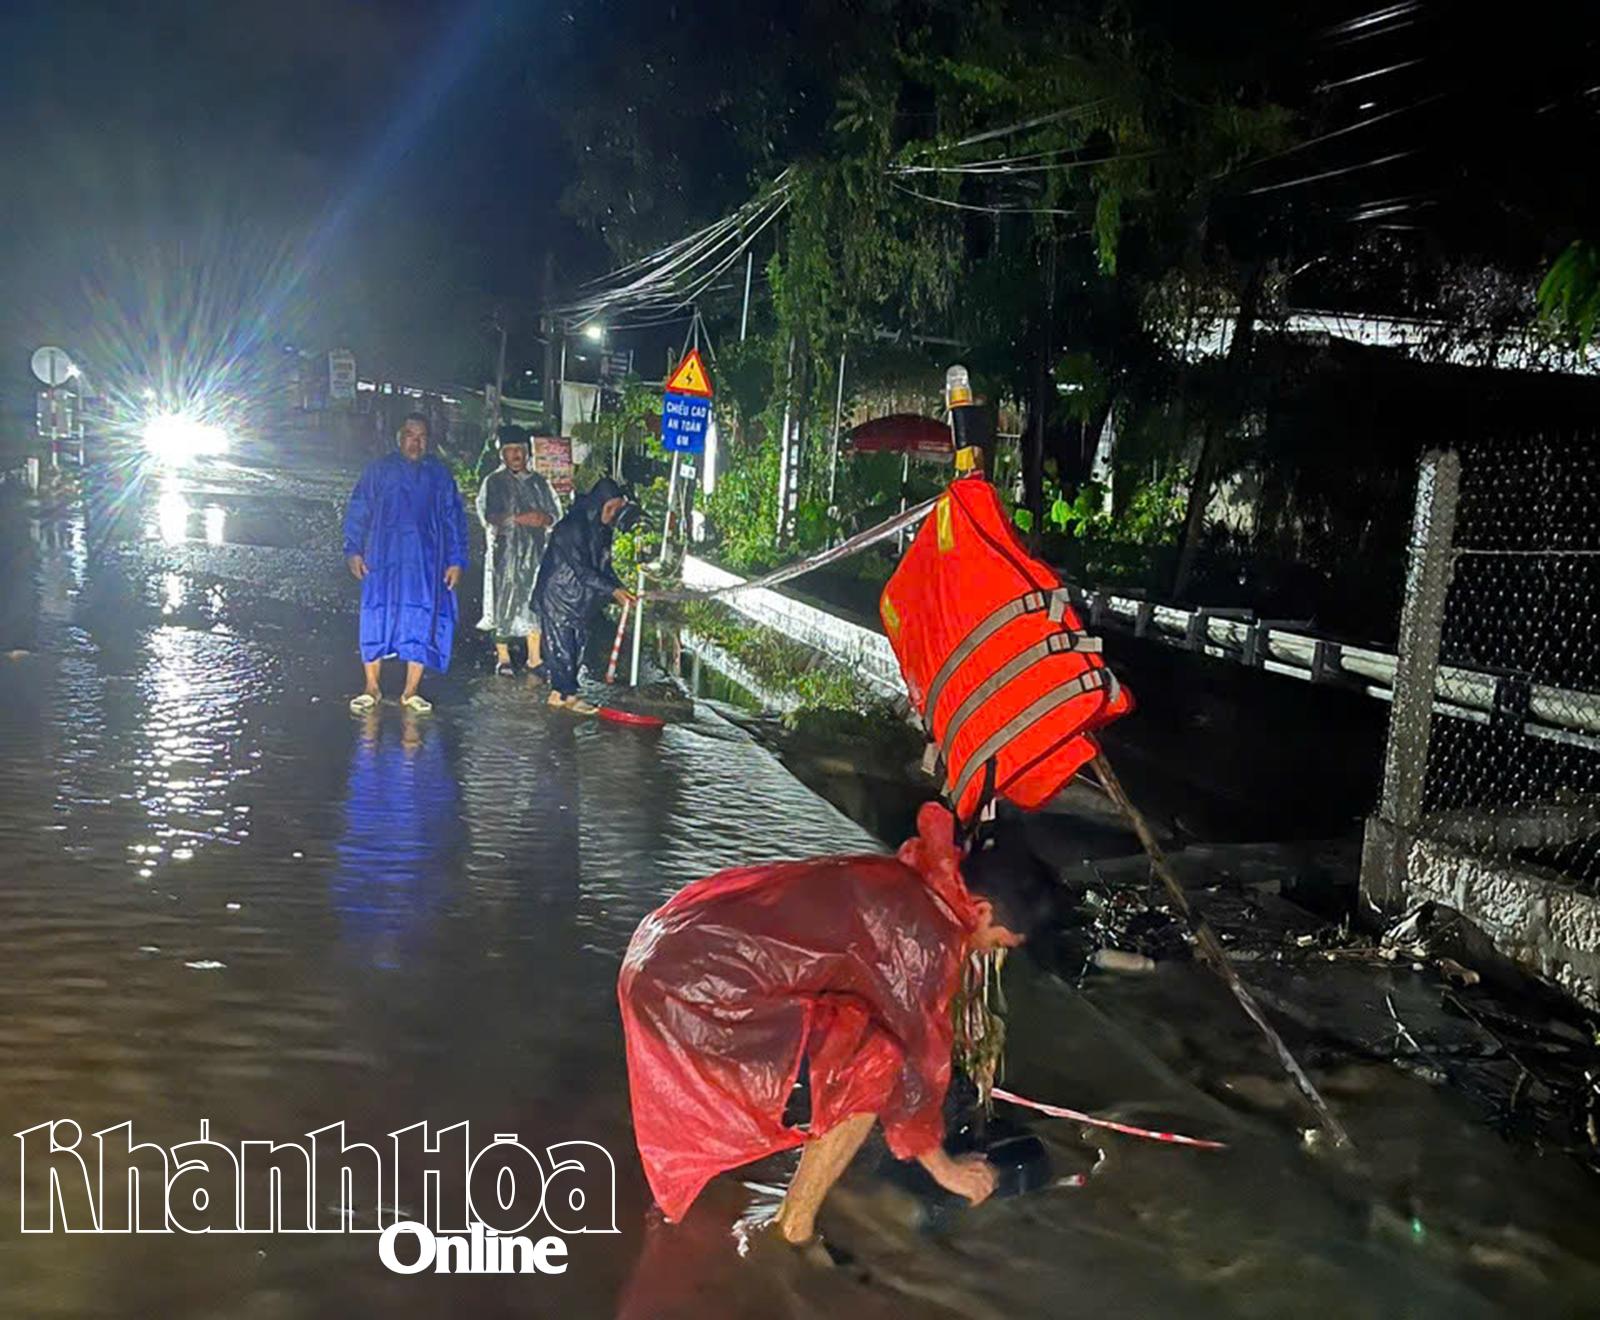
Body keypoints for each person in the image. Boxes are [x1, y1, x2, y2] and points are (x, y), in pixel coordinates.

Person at [617, 803, 1051, 1245]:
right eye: (997, 943)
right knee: (875, 1065)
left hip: (659, 949)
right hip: (695, 994)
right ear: (979, 911)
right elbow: (914, 1071)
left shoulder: (909, 880)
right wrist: (948, 1171)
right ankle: (793, 1227)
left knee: (859, 1043)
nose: (985, 952)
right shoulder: (928, 937)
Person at [342, 412, 470, 714]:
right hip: (382, 558)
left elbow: (454, 520)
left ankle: (411, 690)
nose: (416, 442)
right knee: (376, 615)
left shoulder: (439, 476)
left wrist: (456, 560)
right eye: (411, 435)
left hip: (426, 562)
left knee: (421, 618)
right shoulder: (379, 471)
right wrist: (353, 551)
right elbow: (358, 510)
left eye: (422, 436)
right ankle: (371, 687)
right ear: (400, 437)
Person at [531, 475, 638, 715]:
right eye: (611, 508)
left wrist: (619, 589)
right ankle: (563, 695)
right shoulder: (572, 527)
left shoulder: (601, 529)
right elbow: (582, 569)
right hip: (558, 597)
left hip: (578, 600)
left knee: (575, 649)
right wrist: (613, 591)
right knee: (563, 650)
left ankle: (562, 695)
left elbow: (602, 566)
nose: (613, 514)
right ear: (599, 504)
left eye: (617, 509)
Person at [476, 427, 562, 676]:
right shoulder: (494, 482)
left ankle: (534, 658)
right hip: (505, 553)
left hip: (535, 552)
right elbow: (489, 515)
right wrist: (518, 518)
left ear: (527, 453)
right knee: (503, 598)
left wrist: (544, 518)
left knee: (534, 600)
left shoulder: (539, 482)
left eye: (519, 450)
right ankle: (503, 658)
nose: (515, 455)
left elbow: (554, 513)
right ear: (502, 454)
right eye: (510, 450)